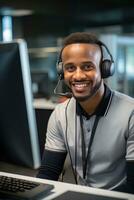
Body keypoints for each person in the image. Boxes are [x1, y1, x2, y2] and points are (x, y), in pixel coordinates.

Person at [37, 32, 134, 193]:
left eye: (87, 66)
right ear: (62, 72)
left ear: (104, 69)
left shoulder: (130, 113)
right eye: (70, 68)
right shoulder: (60, 114)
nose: (78, 75)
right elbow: (48, 173)